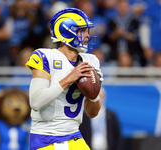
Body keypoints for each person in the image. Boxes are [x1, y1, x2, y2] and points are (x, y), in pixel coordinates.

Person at [25, 8, 103, 150]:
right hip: (44, 137)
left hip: (74, 135)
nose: (87, 35)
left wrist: (94, 93)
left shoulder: (90, 61)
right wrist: (68, 79)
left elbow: (92, 113)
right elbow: (36, 102)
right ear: (66, 32)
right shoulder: (45, 56)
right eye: (82, 30)